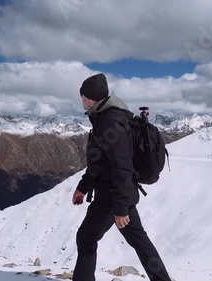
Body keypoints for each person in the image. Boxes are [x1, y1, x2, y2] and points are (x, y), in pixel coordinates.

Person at [72, 73, 171, 281]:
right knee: (140, 241)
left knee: (86, 238)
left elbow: (121, 165)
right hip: (119, 193)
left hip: (112, 195)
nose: (81, 100)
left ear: (89, 97)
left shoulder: (109, 122)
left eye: (82, 96)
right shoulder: (108, 117)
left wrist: (120, 207)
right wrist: (83, 187)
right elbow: (100, 162)